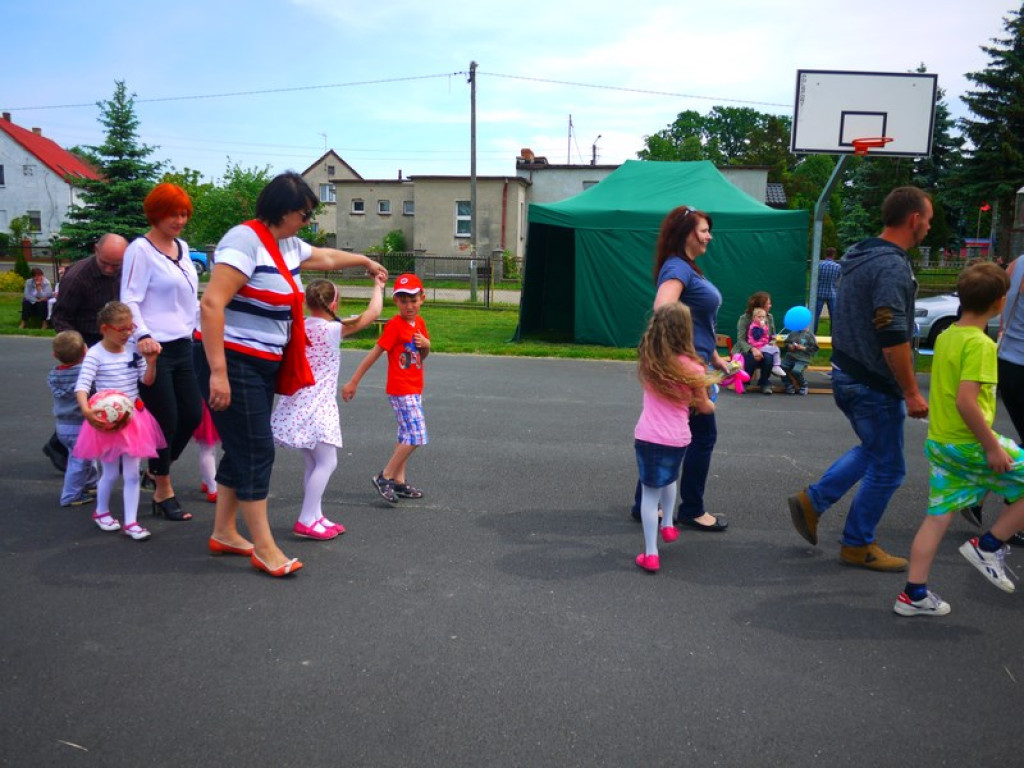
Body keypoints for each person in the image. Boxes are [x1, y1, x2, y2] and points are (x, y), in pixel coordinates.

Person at [198, 171, 387, 577]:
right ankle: (264, 546)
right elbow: (212, 304)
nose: (308, 222)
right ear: (283, 211)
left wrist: (367, 262)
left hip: (263, 362)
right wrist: (218, 372)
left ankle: (225, 533)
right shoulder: (244, 240)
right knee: (257, 450)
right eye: (304, 214)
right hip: (233, 359)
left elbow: (328, 257)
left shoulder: (286, 244)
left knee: (243, 446)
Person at [787, 186, 932, 571]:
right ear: (914, 220)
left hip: (846, 372)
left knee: (873, 450)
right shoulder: (890, 266)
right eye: (929, 221)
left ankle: (813, 501)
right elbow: (891, 335)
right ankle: (857, 544)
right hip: (873, 381)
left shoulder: (857, 254)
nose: (929, 228)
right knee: (889, 468)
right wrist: (912, 391)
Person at [894, 263, 1024, 616]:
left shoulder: (948, 335)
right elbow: (967, 401)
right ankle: (989, 545)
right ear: (1000, 302)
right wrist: (992, 446)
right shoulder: (980, 345)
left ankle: (913, 594)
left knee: (937, 516)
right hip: (969, 443)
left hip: (942, 443)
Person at [629, 205, 732, 532]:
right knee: (701, 437)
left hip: (696, 365)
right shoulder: (677, 268)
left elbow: (701, 321)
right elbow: (664, 308)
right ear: (686, 232)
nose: (709, 236)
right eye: (703, 230)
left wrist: (714, 358)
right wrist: (685, 362)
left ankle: (643, 503)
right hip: (688, 372)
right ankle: (692, 509)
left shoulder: (688, 268)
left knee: (667, 436)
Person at [272, 274, 386, 539]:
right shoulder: (334, 329)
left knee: (313, 464)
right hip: (318, 405)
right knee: (328, 462)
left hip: (298, 402)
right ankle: (305, 518)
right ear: (334, 304)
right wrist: (378, 286)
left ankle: (315, 515)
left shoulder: (301, 326)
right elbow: (373, 313)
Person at [121, 183, 203, 523]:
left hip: (184, 344)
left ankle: (157, 470)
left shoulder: (182, 248)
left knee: (192, 416)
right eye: (173, 214)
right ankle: (162, 488)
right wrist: (143, 335)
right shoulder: (140, 250)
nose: (180, 220)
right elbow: (130, 299)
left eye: (184, 214)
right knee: (165, 420)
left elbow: (187, 301)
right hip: (154, 350)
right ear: (156, 214)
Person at [633, 303, 717, 573]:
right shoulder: (693, 368)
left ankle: (651, 553)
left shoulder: (650, 361)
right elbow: (704, 408)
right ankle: (667, 524)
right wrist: (712, 397)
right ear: (686, 331)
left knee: (649, 495)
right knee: (670, 478)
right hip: (679, 438)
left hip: (649, 437)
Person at [73, 301, 165, 541]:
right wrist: (86, 410)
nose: (127, 333)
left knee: (133, 474)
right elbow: (82, 386)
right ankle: (101, 512)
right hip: (107, 423)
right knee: (111, 473)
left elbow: (147, 381)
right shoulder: (95, 354)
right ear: (105, 329)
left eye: (130, 328)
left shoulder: (135, 351)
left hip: (133, 420)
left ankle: (131, 522)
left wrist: (152, 362)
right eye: (121, 329)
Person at [343, 273, 431, 504]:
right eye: (403, 300)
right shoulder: (394, 325)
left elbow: (422, 355)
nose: (409, 305)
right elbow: (374, 354)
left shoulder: (419, 323)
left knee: (405, 434)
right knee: (416, 435)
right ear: (396, 302)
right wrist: (354, 381)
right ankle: (385, 476)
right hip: (401, 389)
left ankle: (399, 482)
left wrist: (427, 346)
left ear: (422, 298)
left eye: (413, 299)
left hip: (415, 387)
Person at [46, 233, 127, 472]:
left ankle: (114, 452)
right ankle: (61, 446)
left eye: (117, 265)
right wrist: (78, 350)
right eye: (106, 264)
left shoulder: (123, 269)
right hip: (87, 340)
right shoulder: (78, 277)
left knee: (117, 393)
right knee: (94, 400)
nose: (111, 269)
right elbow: (60, 318)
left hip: (111, 337)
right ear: (95, 250)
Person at [47, 331, 99, 507]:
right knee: (78, 461)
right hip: (79, 425)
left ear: (55, 355)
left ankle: (91, 483)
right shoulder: (84, 374)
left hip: (62, 425)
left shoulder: (53, 375)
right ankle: (70, 496)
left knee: (84, 456)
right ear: (85, 351)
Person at [734, 292, 783, 396]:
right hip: (747, 348)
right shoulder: (744, 318)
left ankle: (764, 382)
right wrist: (753, 349)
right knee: (753, 357)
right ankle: (745, 381)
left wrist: (773, 342)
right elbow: (741, 340)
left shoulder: (769, 317)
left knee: (769, 357)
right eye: (768, 304)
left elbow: (772, 334)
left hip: (763, 346)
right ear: (761, 305)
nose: (770, 306)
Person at [746, 307, 786, 378]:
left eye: (763, 317)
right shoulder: (754, 327)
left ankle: (776, 366)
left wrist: (772, 337)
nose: (761, 319)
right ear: (754, 318)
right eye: (759, 317)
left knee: (775, 347)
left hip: (762, 345)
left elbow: (765, 336)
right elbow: (756, 337)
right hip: (757, 347)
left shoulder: (763, 326)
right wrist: (761, 328)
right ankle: (776, 366)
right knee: (776, 349)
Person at [781, 326, 819, 395]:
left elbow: (815, 348)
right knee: (782, 367)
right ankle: (789, 384)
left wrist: (804, 348)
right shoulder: (793, 333)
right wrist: (790, 346)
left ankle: (803, 384)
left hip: (803, 359)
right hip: (790, 357)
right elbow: (786, 343)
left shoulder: (810, 335)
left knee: (796, 371)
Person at [814, 246, 841, 334]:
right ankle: (833, 333)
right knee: (833, 316)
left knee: (816, 315)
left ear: (826, 254)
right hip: (832, 293)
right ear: (834, 255)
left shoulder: (819, 265)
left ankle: (813, 332)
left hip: (820, 292)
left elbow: (816, 278)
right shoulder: (837, 266)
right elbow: (838, 280)